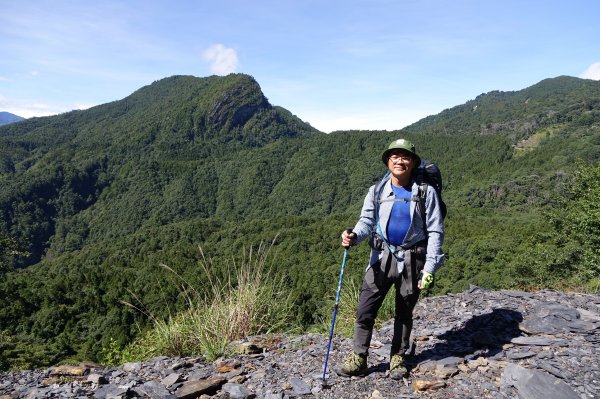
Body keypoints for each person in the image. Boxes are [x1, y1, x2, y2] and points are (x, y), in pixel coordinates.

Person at [334, 138, 445, 380]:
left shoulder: (426, 192)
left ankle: (398, 357)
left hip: (413, 259)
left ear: (413, 163)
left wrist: (430, 268)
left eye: (405, 157)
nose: (399, 160)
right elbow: (366, 222)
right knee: (366, 308)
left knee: (404, 312)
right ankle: (359, 357)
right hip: (381, 257)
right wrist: (353, 236)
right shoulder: (376, 191)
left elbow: (436, 230)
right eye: (394, 156)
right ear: (387, 161)